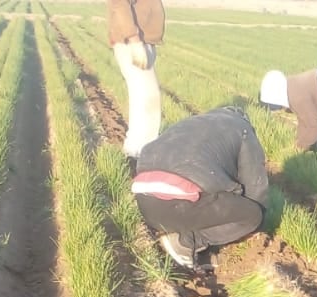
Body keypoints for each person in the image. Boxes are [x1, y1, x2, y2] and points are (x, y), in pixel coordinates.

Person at [130, 107, 269, 269]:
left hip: (147, 206)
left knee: (208, 195)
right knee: (252, 214)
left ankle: (180, 231)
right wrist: (258, 225)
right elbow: (256, 187)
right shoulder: (243, 129)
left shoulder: (194, 123)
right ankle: (187, 242)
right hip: (183, 204)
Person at [107, 0, 165, 158]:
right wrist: (134, 40)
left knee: (143, 99)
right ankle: (139, 154)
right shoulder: (134, 41)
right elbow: (119, 3)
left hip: (141, 43)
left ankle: (137, 153)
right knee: (148, 100)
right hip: (132, 43)